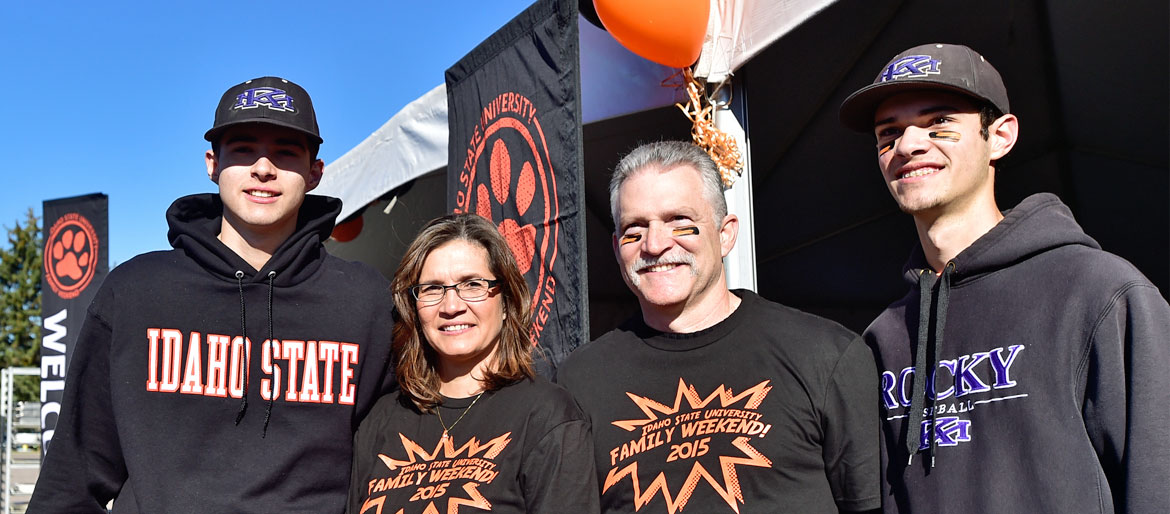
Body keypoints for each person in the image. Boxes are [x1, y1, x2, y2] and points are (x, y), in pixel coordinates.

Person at [29, 77, 396, 513]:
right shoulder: (136, 292)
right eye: (243, 149)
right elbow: (71, 481)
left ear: (314, 172)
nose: (263, 168)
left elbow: (396, 465)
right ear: (212, 164)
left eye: (285, 151)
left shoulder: (364, 302)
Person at [839, 43, 1170, 513]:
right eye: (888, 133)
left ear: (1000, 137)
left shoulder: (1099, 293)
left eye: (939, 123)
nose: (908, 146)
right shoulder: (884, 338)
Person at [558, 141, 881, 513]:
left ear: (725, 234)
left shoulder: (825, 354)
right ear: (617, 248)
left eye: (680, 222)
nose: (655, 244)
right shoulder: (579, 382)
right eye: (635, 229)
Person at [348, 213, 599, 514]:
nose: (451, 306)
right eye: (432, 288)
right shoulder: (380, 420)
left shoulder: (547, 415)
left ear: (506, 302)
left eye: (472, 284)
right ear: (413, 308)